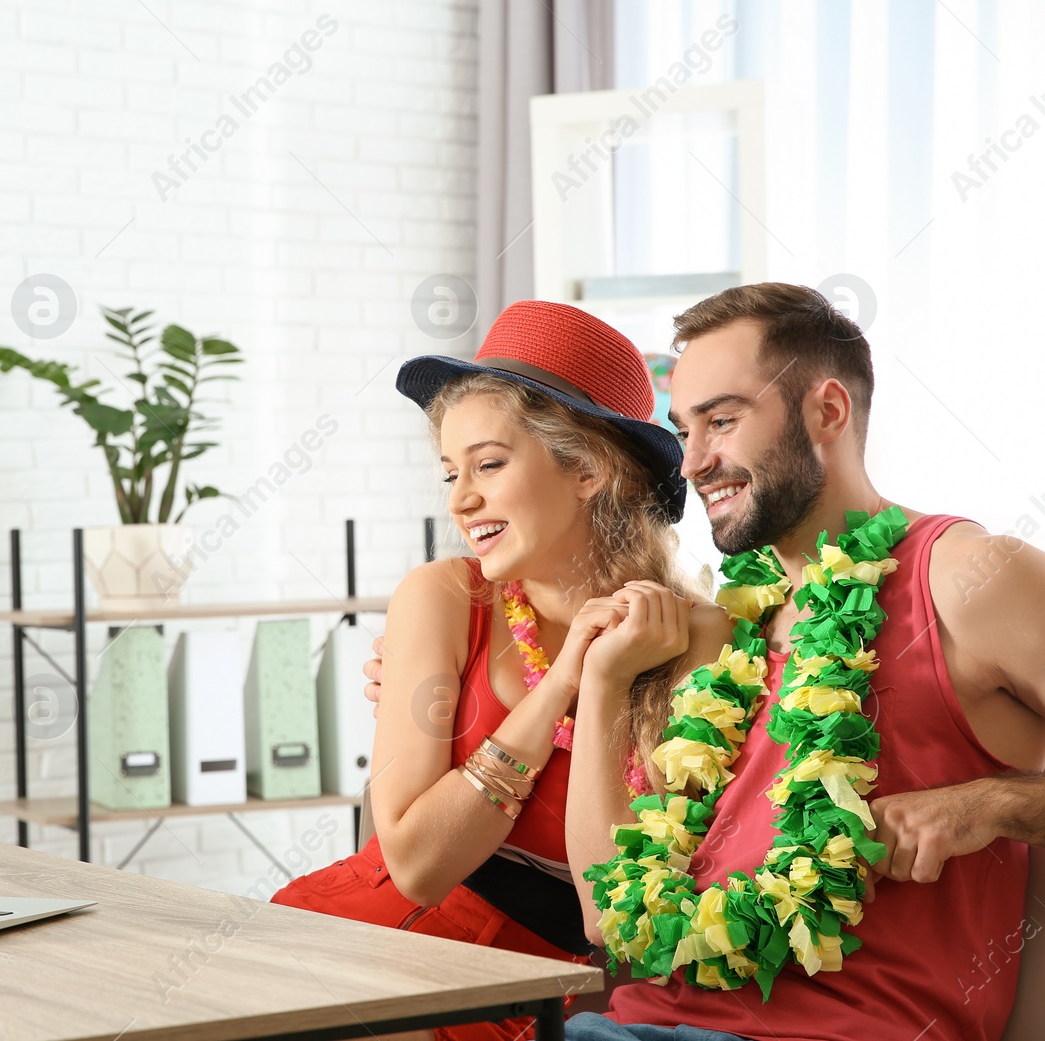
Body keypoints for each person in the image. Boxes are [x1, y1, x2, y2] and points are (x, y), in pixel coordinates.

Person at [369, 283, 1045, 1041]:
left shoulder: (967, 577)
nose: (693, 462)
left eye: (722, 421)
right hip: (632, 1024)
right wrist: (598, 682)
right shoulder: (729, 629)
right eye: (682, 429)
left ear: (828, 411)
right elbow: (606, 915)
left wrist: (991, 806)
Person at [272, 300, 733, 1041]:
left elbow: (630, 917)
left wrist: (607, 682)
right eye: (451, 471)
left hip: (547, 992)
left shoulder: (697, 636)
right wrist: (558, 686)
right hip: (363, 944)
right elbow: (419, 866)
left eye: (489, 463)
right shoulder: (443, 596)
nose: (460, 498)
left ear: (586, 468)